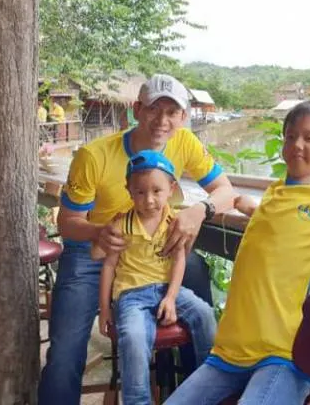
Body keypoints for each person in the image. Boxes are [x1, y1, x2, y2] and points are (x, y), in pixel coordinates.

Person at [166, 99, 310, 405]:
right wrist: (249, 207)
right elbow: (283, 222)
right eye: (290, 136)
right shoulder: (274, 194)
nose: (297, 144)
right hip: (230, 351)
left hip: (287, 355)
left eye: (309, 138)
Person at [39, 74, 236, 405]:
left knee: (197, 277)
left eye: (172, 112)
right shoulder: (94, 156)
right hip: (94, 251)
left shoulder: (185, 142)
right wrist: (98, 231)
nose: (162, 121)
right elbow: (68, 223)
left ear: (183, 117)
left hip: (153, 253)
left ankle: (197, 391)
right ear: (137, 110)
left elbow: (226, 190)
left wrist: (199, 211)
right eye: (154, 109)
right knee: (65, 351)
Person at [99, 150, 217, 405]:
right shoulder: (121, 225)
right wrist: (105, 308)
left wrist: (171, 297)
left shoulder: (174, 222)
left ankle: (207, 390)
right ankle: (137, 401)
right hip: (131, 295)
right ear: (129, 191)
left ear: (171, 189)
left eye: (156, 191)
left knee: (205, 314)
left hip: (168, 289)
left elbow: (179, 260)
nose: (149, 200)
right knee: (133, 337)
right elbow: (108, 265)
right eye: (140, 192)